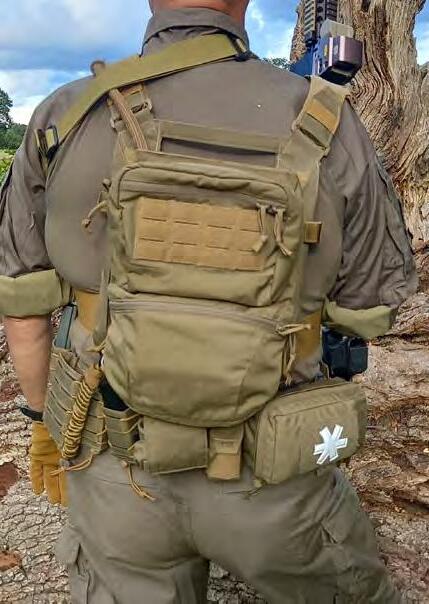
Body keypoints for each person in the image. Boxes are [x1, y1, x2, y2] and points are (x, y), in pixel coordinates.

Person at [0, 1, 417, 602]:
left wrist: (46, 424)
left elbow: (22, 308)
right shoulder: (326, 118)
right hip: (275, 475)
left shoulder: (66, 115)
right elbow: (369, 309)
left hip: (115, 467)